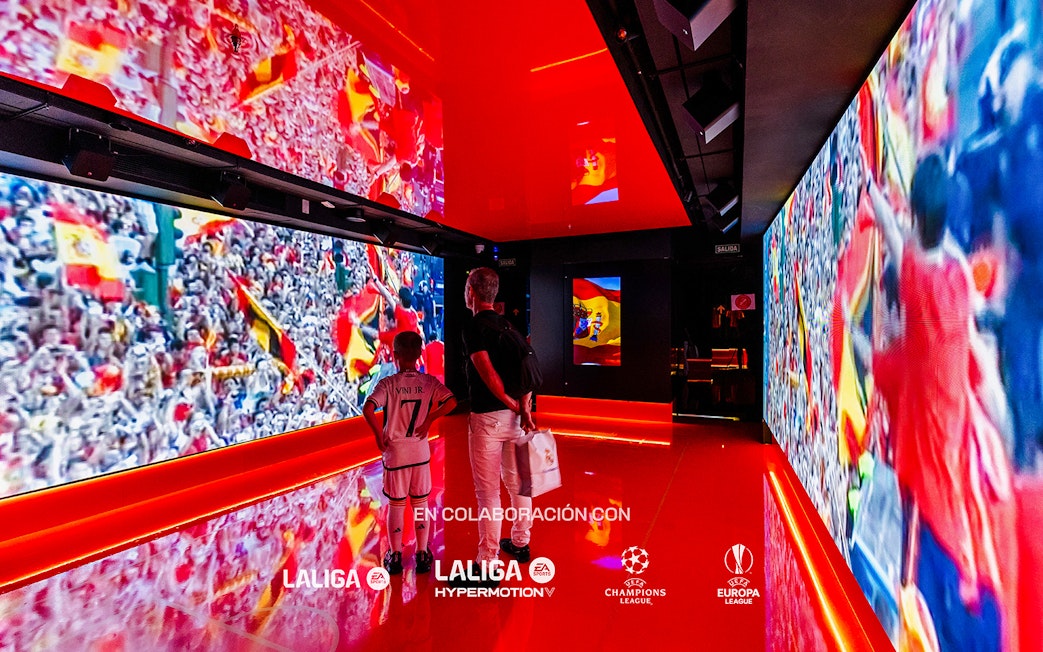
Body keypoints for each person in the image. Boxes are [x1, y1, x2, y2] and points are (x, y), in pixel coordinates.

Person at [462, 267, 536, 573]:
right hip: (515, 420)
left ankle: (487, 563)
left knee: (488, 493)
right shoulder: (509, 326)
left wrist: (512, 404)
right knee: (518, 484)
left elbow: (487, 374)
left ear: (472, 293)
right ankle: (520, 542)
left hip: (488, 420)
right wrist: (524, 409)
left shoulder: (474, 327)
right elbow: (527, 371)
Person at [363, 331, 456, 575]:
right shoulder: (428, 382)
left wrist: (379, 435)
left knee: (396, 505)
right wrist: (430, 419)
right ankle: (422, 554)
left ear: (395, 355)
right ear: (419, 354)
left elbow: (368, 408)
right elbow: (452, 402)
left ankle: (395, 556)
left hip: (396, 454)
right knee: (420, 503)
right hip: (420, 453)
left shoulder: (388, 384)